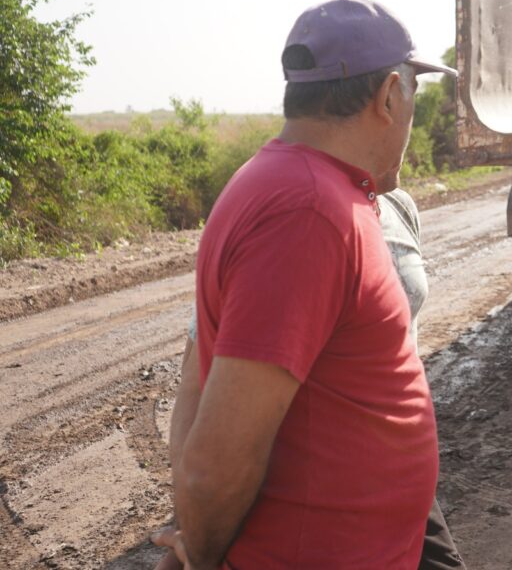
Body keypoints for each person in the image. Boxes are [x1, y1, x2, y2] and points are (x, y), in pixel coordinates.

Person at [151, 0, 455, 569]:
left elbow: (204, 375)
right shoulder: (308, 211)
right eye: (415, 92)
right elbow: (217, 459)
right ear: (390, 95)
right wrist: (199, 553)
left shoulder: (298, 183)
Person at [156, 188, 466, 570]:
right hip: (311, 478)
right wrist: (191, 518)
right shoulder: (286, 213)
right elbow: (195, 381)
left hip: (394, 471)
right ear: (375, 122)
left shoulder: (398, 205)